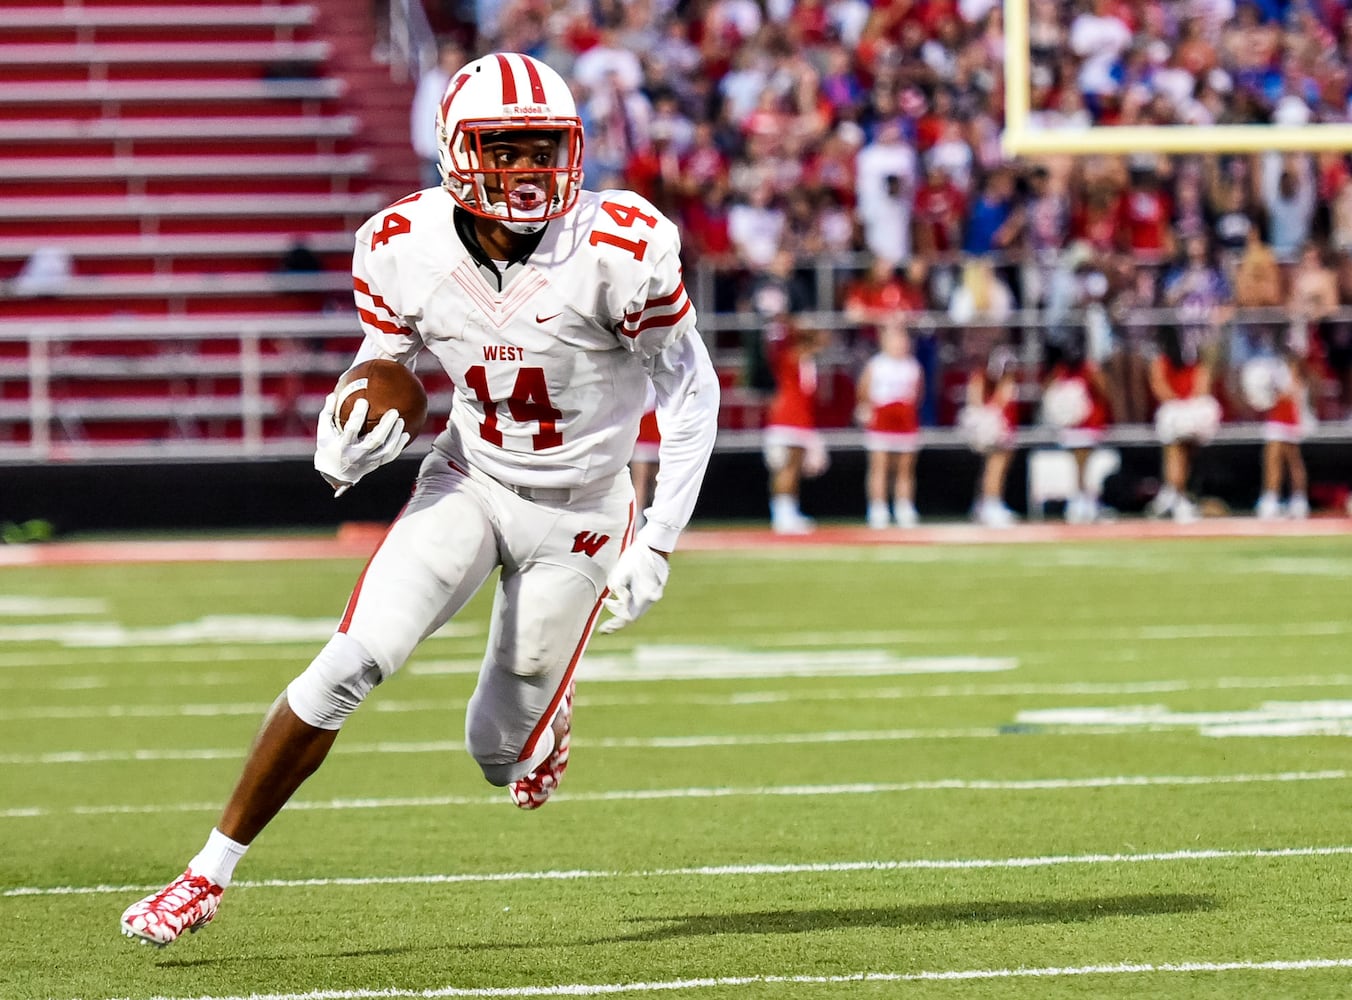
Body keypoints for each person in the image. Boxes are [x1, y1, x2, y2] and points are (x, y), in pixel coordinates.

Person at [119, 52, 721, 948]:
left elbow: (691, 392)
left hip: (585, 509)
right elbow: (388, 363)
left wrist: (660, 539)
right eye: (504, 150)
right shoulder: (400, 243)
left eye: (542, 149)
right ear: (454, 152)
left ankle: (543, 719)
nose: (526, 171)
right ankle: (208, 872)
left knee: (495, 753)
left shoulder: (622, 248)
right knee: (355, 657)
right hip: (470, 477)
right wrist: (354, 420)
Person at [763, 319, 830, 534]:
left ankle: (789, 510)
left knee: (794, 468)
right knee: (786, 468)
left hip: (800, 420)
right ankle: (781, 513)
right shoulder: (791, 357)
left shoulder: (807, 361)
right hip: (788, 419)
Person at [856, 320, 924, 528]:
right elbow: (863, 391)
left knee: (905, 469)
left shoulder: (912, 366)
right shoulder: (876, 365)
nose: (900, 343)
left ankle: (904, 507)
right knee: (880, 466)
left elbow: (919, 394)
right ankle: (878, 508)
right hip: (882, 421)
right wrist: (866, 410)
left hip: (904, 421)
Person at [1147, 325, 1219, 523]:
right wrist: (1181, 406)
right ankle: (1177, 496)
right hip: (1179, 411)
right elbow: (1160, 386)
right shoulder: (1163, 361)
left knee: (1177, 450)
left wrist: (1185, 409)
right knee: (1178, 451)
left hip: (1189, 412)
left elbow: (1201, 387)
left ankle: (1175, 494)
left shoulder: (1197, 363)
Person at [1040, 330, 1113, 523]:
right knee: (1079, 459)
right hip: (1071, 426)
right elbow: (1047, 390)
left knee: (1083, 458)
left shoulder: (1089, 369)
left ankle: (1083, 498)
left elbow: (1105, 390)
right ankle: (1081, 498)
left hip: (1090, 423)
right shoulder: (1061, 370)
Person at [1244, 348, 1311, 519]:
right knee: (1274, 456)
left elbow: (1294, 389)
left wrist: (1270, 397)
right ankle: (1273, 497)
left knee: (1291, 457)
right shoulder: (1273, 362)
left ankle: (1296, 499)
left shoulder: (1291, 363)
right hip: (1276, 414)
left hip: (1289, 414)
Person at [961, 345, 1020, 527]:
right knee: (994, 466)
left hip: (1005, 425)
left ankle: (985, 504)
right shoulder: (981, 377)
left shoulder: (1008, 381)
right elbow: (976, 402)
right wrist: (987, 421)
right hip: (989, 425)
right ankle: (990, 504)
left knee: (997, 467)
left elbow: (1006, 402)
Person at [409, 39, 466, 189]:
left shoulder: (466, 81)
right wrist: (421, 144)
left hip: (460, 153)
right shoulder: (431, 81)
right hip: (434, 151)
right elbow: (421, 114)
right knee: (433, 190)